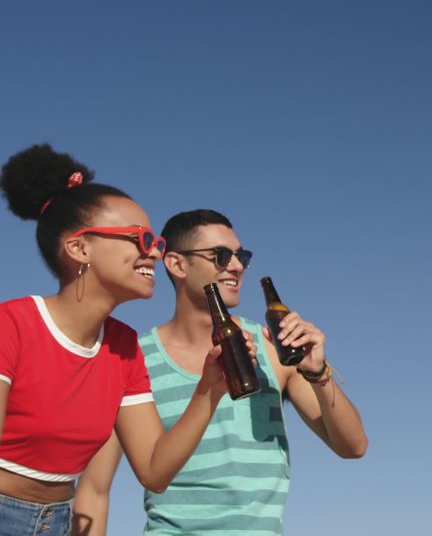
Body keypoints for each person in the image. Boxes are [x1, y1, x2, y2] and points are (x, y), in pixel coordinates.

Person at [73, 209, 368, 535]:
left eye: (242, 255)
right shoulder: (132, 357)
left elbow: (352, 447)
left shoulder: (272, 348)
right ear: (177, 264)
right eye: (221, 255)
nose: (237, 265)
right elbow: (94, 490)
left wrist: (318, 372)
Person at [0, 145, 237, 536]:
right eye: (139, 239)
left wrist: (209, 390)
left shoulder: (124, 346)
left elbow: (154, 471)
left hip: (57, 521)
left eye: (156, 243)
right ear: (79, 248)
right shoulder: (12, 324)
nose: (154, 254)